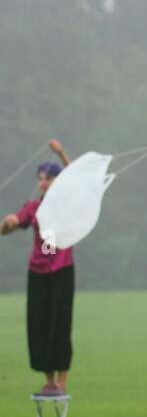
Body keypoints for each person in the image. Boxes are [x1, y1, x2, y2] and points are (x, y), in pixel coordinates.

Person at [1, 139, 75, 397]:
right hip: (38, 271)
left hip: (62, 269)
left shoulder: (65, 202)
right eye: (41, 178)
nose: (44, 182)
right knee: (39, 324)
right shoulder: (32, 208)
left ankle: (62, 382)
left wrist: (61, 153)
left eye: (49, 178)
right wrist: (8, 223)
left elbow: (77, 180)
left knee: (60, 324)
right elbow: (8, 228)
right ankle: (49, 382)